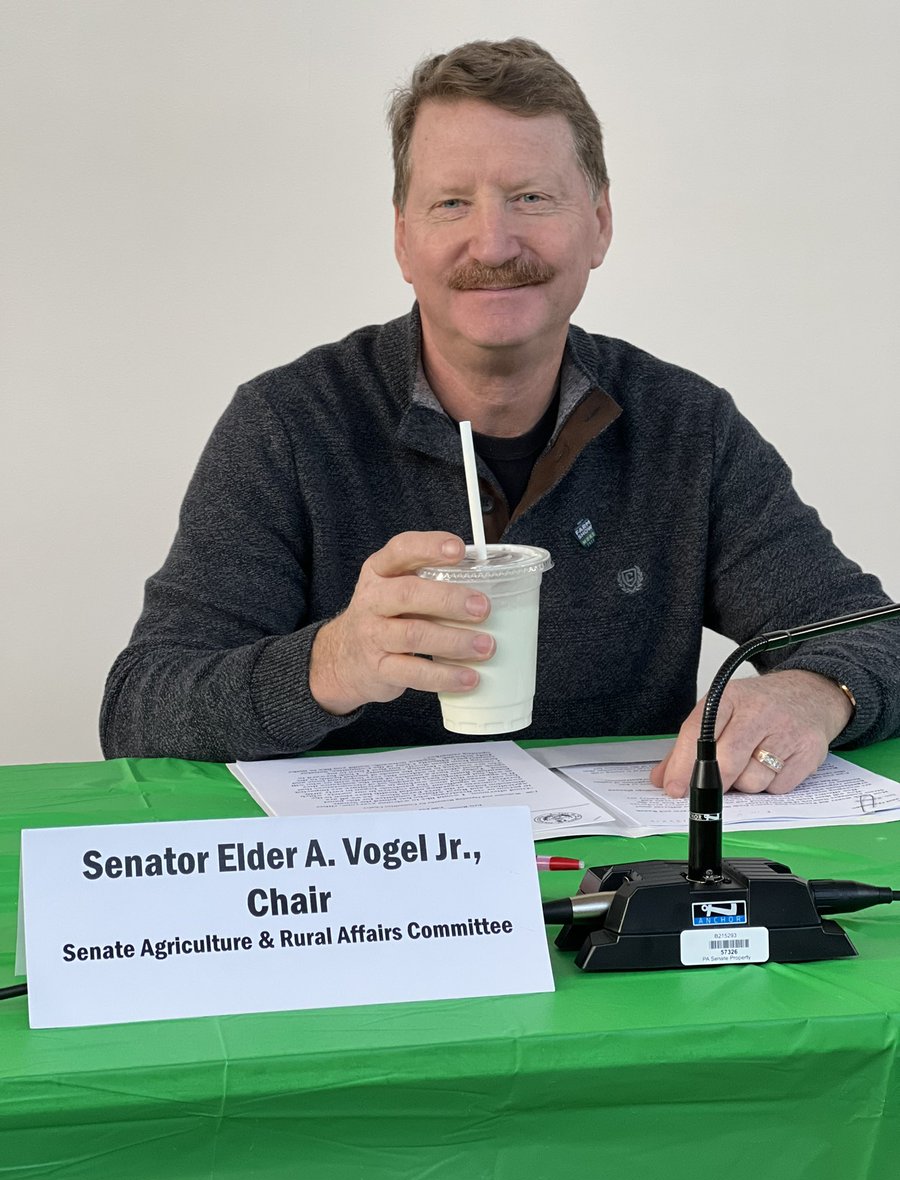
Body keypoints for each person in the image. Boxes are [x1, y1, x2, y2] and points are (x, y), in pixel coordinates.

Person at [101, 37, 900, 796]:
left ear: (600, 224)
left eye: (531, 198)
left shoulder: (686, 429)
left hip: (621, 873)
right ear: (402, 239)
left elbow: (873, 631)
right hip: (372, 877)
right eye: (452, 203)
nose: (493, 242)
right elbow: (141, 707)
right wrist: (332, 663)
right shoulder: (290, 425)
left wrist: (815, 692)